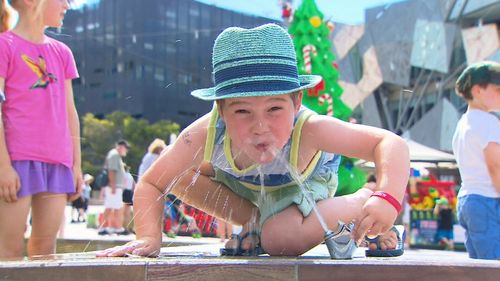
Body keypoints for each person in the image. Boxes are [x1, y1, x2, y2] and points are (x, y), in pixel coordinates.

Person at [96, 24, 409, 258]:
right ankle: (255, 224)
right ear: (221, 109)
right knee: (178, 174)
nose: (261, 126)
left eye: (274, 108)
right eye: (243, 111)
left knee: (280, 241)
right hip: (249, 195)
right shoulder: (206, 131)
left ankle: (357, 200)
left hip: (302, 189)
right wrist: (150, 238)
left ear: (297, 101)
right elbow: (152, 182)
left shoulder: (311, 128)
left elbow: (389, 143)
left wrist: (385, 196)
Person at [0, 0, 82, 259]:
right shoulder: (4, 45)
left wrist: (76, 165)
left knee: (45, 254)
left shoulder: (62, 52)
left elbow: (71, 112)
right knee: (8, 252)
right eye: (64, 0)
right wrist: (3, 166)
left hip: (57, 162)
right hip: (16, 162)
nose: (68, 6)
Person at [452, 61, 500, 260]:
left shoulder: (463, 123)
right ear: (477, 90)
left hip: (467, 199)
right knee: (494, 266)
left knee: (478, 265)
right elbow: (495, 166)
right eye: (498, 89)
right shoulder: (489, 122)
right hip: (487, 199)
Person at [98, 140, 129, 235]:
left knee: (114, 207)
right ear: (121, 147)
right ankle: (107, 227)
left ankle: (113, 227)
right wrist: (113, 186)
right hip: (113, 187)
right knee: (112, 207)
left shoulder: (115, 155)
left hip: (114, 186)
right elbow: (112, 171)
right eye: (125, 148)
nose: (126, 151)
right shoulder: (114, 155)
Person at [121, 165, 135, 234]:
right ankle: (130, 227)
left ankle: (124, 228)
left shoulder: (124, 175)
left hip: (125, 192)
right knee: (128, 212)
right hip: (130, 193)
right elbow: (133, 186)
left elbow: (123, 185)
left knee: (124, 212)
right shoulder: (130, 175)